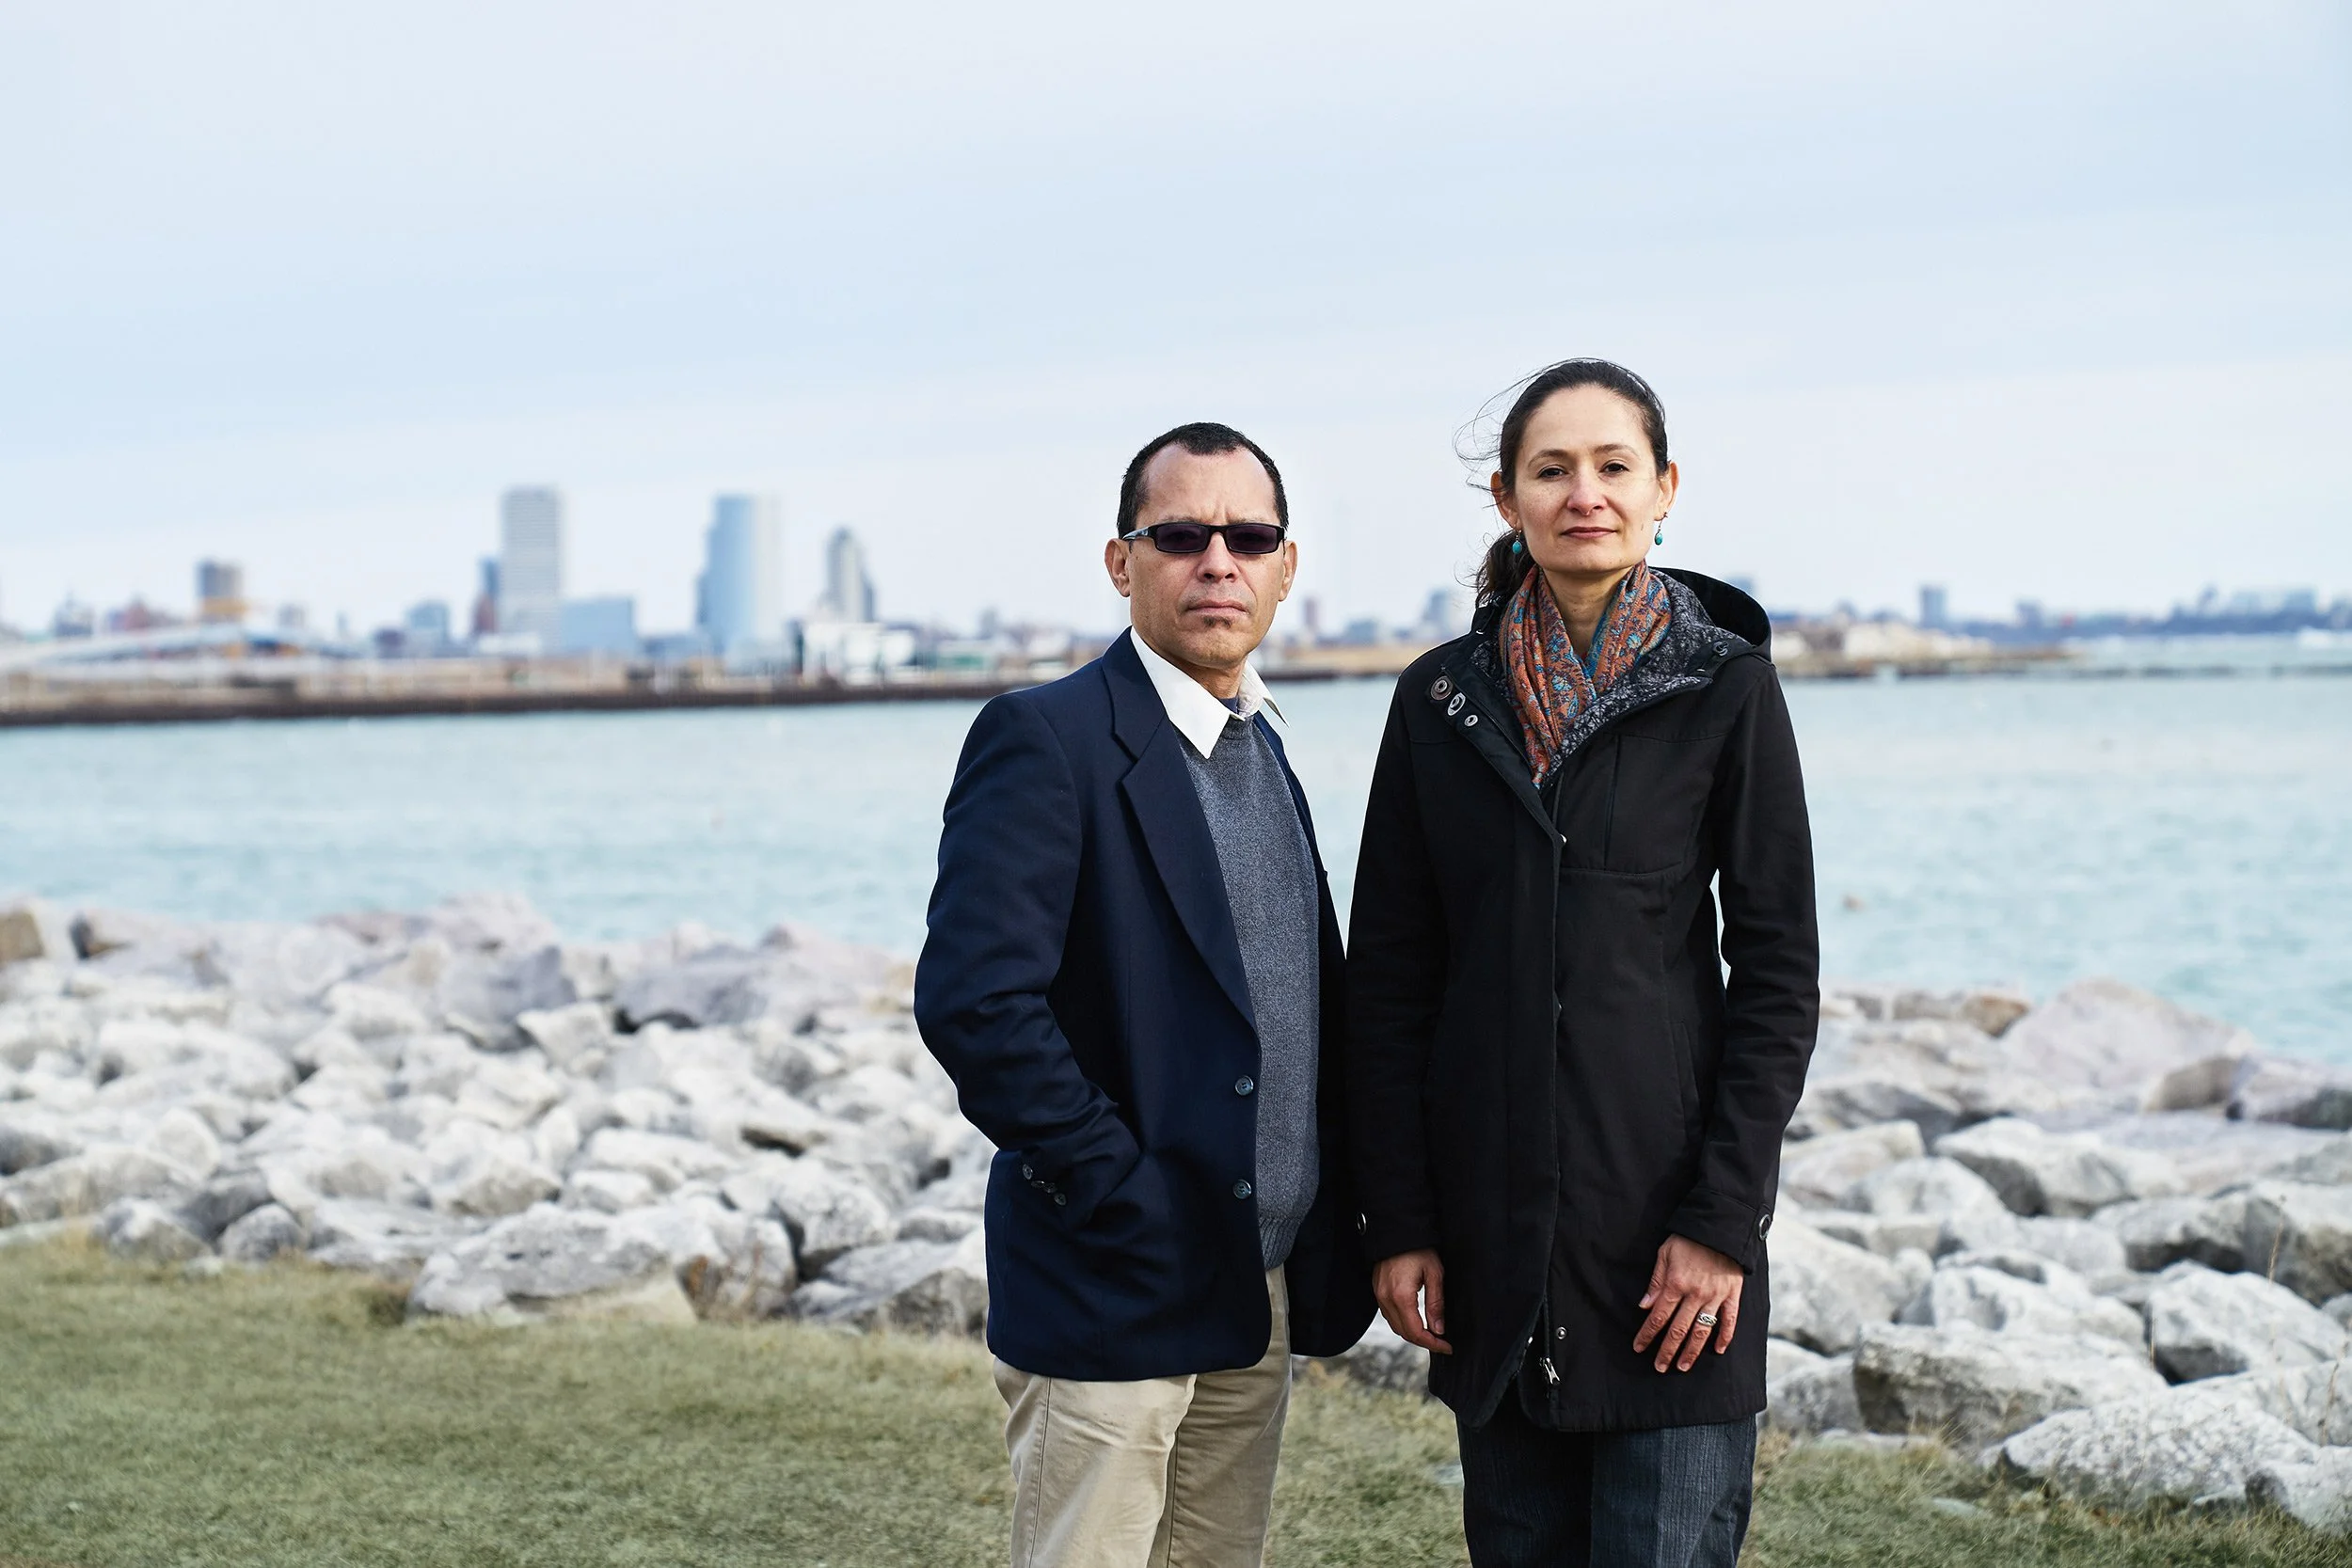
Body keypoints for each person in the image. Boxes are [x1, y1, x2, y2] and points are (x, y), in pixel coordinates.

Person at [1344, 360, 1819, 1567]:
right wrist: (1399, 1220)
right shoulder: (1437, 701)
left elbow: (1775, 972)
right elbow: (1389, 978)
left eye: (1614, 466)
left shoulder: (1725, 686)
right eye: (1551, 469)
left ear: (1665, 488)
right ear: (1506, 497)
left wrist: (1721, 1222)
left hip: (1668, 1248)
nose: (1584, 493)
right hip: (1490, 1248)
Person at [915, 421, 1375, 1568]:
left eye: (1247, 535)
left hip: (1251, 1291)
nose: (1217, 560)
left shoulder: (1261, 742)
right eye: (1181, 534)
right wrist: (1119, 1190)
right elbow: (977, 1001)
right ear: (1123, 563)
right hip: (1111, 1283)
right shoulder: (1044, 738)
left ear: (1285, 566)